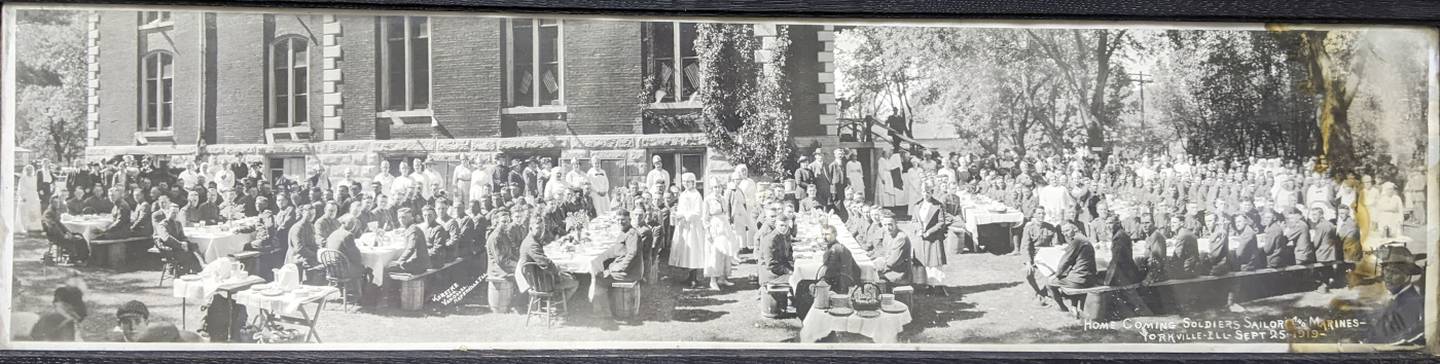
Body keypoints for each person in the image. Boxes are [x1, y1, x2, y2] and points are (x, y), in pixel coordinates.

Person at [1364, 246, 1424, 345]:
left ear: (1407, 276)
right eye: (1386, 271)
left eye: (1394, 272)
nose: (1387, 277)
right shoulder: (1398, 299)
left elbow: (1398, 341)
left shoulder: (1411, 302)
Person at [518, 219, 579, 301]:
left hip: (537, 278)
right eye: (538, 228)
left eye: (542, 228)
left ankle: (555, 301)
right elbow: (545, 263)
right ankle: (557, 305)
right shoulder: (532, 244)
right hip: (540, 283)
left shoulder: (530, 240)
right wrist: (559, 273)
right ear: (530, 228)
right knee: (574, 283)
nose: (541, 231)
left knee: (568, 275)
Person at [1044, 222, 1096, 312]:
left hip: (1081, 280)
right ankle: (1074, 307)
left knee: (1049, 282)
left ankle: (1062, 307)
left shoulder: (1077, 241)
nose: (1065, 233)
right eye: (1063, 232)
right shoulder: (1083, 239)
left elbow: (1065, 261)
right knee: (1070, 274)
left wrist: (1056, 275)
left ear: (1075, 229)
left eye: (1067, 230)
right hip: (1090, 277)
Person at [668, 173, 708, 288]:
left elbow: (697, 213)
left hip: (693, 227)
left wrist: (683, 215)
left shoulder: (696, 195)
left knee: (693, 251)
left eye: (688, 181)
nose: (686, 183)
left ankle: (694, 278)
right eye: (684, 181)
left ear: (693, 182)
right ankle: (689, 276)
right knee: (686, 251)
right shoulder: (684, 194)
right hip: (684, 226)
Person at [703, 180, 739, 290]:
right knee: (714, 253)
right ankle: (713, 280)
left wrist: (729, 225)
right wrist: (708, 232)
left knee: (725, 252)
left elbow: (726, 213)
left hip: (724, 226)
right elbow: (705, 218)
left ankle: (722, 278)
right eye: (715, 187)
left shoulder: (723, 199)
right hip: (714, 227)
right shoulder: (708, 200)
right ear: (711, 188)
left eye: (719, 187)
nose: (717, 189)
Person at [913, 189, 947, 294]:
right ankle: (924, 284)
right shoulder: (917, 205)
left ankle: (937, 286)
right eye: (923, 192)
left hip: (933, 238)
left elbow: (941, 222)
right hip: (921, 238)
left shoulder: (938, 205)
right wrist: (919, 229)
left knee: (933, 262)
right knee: (921, 261)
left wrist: (929, 232)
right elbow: (914, 220)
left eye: (928, 192)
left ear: (932, 192)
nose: (925, 194)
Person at [114, 300, 199, 342]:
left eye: (137, 321)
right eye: (126, 322)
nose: (132, 327)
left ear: (146, 323)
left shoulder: (161, 339)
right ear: (119, 324)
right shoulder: (113, 346)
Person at [153, 210, 203, 274]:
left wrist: (185, 243)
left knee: (194, 247)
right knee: (190, 255)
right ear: (167, 212)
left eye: (177, 213)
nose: (175, 215)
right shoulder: (162, 225)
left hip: (178, 248)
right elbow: (167, 238)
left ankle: (198, 269)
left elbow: (182, 236)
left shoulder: (178, 223)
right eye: (173, 212)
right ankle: (192, 271)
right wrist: (180, 244)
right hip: (170, 249)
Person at [816, 224, 861, 294]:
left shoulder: (835, 249)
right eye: (823, 234)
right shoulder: (835, 246)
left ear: (835, 234)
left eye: (827, 234)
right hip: (843, 282)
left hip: (840, 286)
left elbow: (829, 272)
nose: (824, 237)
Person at [756, 207, 793, 287]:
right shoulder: (771, 239)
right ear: (776, 225)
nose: (783, 228)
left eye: (786, 226)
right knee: (797, 279)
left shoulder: (782, 235)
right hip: (770, 275)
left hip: (777, 270)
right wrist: (788, 270)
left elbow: (787, 252)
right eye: (781, 225)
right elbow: (771, 265)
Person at [323, 216, 366, 285]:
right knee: (367, 268)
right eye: (352, 223)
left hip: (331, 269)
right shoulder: (348, 235)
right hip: (343, 270)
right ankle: (367, 291)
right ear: (344, 223)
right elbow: (356, 256)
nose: (354, 226)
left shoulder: (333, 234)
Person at [872, 214, 912, 287]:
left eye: (890, 224)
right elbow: (883, 252)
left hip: (898, 274)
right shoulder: (887, 234)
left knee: (869, 275)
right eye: (885, 225)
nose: (887, 228)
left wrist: (876, 268)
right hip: (889, 269)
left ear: (896, 224)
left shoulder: (901, 238)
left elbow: (892, 262)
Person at [388, 207, 432, 274]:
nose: (401, 220)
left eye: (404, 217)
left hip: (418, 265)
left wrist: (399, 261)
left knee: (386, 269)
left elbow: (410, 249)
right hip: (416, 262)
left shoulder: (413, 229)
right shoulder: (410, 228)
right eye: (399, 217)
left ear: (411, 218)